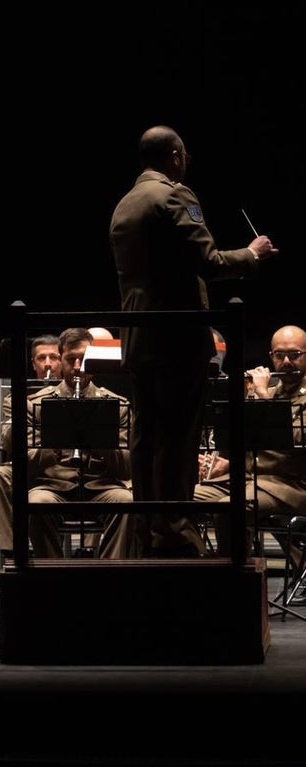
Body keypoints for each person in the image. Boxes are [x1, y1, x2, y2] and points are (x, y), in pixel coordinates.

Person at [110, 124, 279, 557]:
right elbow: (209, 261)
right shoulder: (174, 195)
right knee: (178, 437)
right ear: (175, 155)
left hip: (138, 337)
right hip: (176, 338)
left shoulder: (125, 203)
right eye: (184, 155)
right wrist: (252, 255)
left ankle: (149, 525)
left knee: (146, 438)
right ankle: (175, 530)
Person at [0, 329, 136, 559]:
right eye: (69, 359)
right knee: (36, 502)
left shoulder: (117, 404)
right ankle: (52, 574)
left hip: (100, 485)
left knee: (127, 502)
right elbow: (21, 458)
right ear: (61, 359)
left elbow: (128, 466)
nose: (77, 366)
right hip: (53, 484)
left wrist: (101, 442)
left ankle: (109, 574)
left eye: (83, 359)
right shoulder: (36, 404)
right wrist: (54, 443)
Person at [195, 325, 305, 581]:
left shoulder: (269, 393)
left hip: (291, 485)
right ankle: (199, 572)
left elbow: (296, 441)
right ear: (270, 356)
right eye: (279, 355)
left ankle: (238, 582)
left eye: (295, 354)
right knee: (182, 499)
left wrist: (263, 397)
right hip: (250, 480)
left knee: (228, 508)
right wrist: (228, 463)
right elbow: (248, 442)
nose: (286, 362)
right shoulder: (271, 391)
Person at [0, 333, 63, 560]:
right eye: (41, 358)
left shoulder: (72, 393)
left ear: (63, 360)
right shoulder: (16, 398)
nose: (48, 363)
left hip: (60, 471)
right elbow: (10, 444)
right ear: (33, 363)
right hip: (27, 466)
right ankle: (12, 553)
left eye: (54, 357)